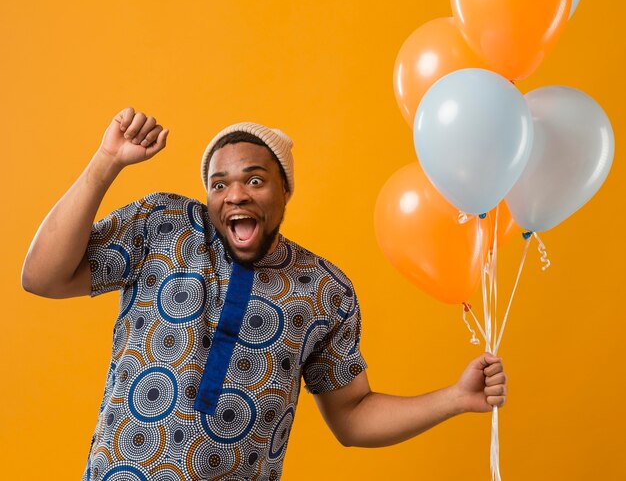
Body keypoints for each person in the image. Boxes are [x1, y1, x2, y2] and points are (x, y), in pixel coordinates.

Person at [22, 108, 507, 481]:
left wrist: (455, 399)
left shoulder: (324, 290)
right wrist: (106, 163)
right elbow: (43, 276)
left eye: (254, 180)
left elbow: (353, 418)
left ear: (284, 191)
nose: (235, 194)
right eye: (220, 184)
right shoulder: (162, 227)